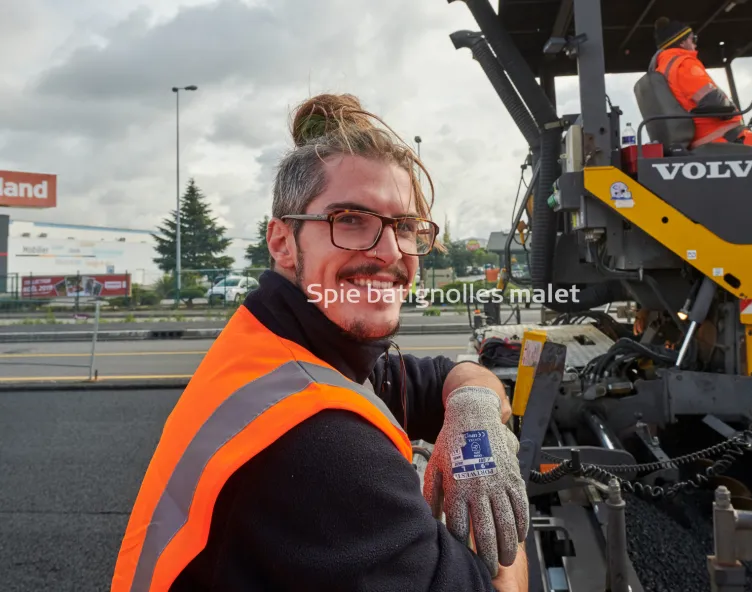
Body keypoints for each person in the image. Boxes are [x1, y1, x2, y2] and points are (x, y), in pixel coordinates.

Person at [110, 94, 529, 592]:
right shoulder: (324, 445)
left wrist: (473, 413)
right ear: (283, 242)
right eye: (351, 219)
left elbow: (447, 375)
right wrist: (493, 507)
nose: (391, 252)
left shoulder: (290, 347)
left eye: (407, 227)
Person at [651, 17, 752, 184]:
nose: (695, 44)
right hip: (723, 136)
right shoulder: (684, 64)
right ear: (682, 42)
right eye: (693, 39)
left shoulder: (663, 68)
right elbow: (714, 101)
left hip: (707, 136)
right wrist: (731, 109)